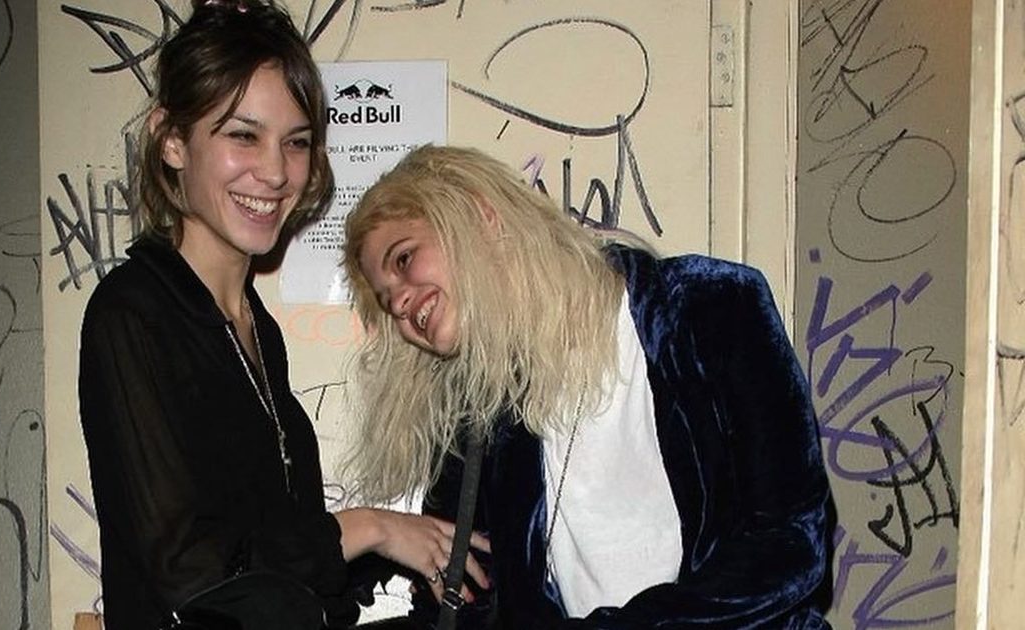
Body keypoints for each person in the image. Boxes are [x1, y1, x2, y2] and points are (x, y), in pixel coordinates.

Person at [77, 4, 487, 629]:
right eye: (244, 135)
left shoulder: (256, 327)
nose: (275, 172)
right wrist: (370, 528)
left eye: (295, 142)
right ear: (172, 139)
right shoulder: (133, 312)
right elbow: (196, 574)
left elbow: (282, 560)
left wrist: (410, 550)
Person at [341, 145, 836, 629]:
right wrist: (362, 536)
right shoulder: (475, 419)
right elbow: (467, 602)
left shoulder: (709, 307)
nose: (400, 303)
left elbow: (791, 542)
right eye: (386, 301)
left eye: (404, 259)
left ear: (480, 216)